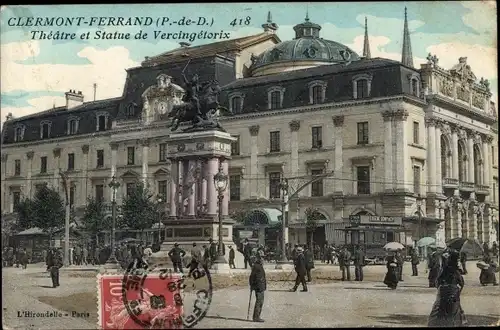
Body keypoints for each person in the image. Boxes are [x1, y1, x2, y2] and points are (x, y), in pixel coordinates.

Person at [427, 249, 468, 327]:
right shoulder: (456, 271)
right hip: (453, 291)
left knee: (439, 311)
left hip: (443, 292)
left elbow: (437, 281)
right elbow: (461, 283)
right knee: (454, 311)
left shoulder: (444, 269)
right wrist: (458, 291)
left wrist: (440, 289)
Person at [249, 254, 266, 322]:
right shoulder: (256, 266)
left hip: (261, 287)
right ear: (259, 259)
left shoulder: (260, 266)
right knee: (259, 302)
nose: (263, 259)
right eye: (262, 258)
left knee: (260, 302)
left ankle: (257, 316)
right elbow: (251, 277)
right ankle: (256, 317)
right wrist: (252, 286)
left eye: (263, 258)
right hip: (258, 287)